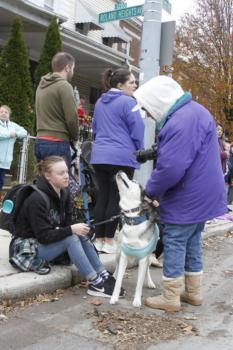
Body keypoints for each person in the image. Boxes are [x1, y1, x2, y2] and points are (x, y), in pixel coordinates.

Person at [134, 75, 227, 311]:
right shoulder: (197, 112)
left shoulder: (179, 121)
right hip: (205, 193)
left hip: (189, 196)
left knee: (175, 240)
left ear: (157, 102)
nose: (148, 114)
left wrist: (151, 192)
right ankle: (194, 292)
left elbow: (171, 168)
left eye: (147, 108)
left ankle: (171, 297)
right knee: (193, 240)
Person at [10, 156, 123, 298]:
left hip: (47, 241)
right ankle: (94, 282)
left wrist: (78, 229)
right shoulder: (36, 199)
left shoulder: (64, 193)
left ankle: (102, 274)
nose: (66, 176)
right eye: (61, 173)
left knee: (78, 234)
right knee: (71, 237)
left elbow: (67, 225)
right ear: (47, 176)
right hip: (29, 248)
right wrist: (71, 230)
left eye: (66, 171)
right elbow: (44, 237)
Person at [90, 68, 145, 254]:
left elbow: (95, 128)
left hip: (99, 156)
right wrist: (139, 150)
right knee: (116, 197)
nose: (135, 85)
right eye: (131, 82)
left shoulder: (99, 102)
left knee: (103, 196)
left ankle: (98, 239)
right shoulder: (129, 102)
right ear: (120, 85)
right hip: (122, 156)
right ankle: (109, 240)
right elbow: (138, 128)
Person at [35, 52, 79, 169]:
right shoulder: (64, 86)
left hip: (40, 141)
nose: (73, 72)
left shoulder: (41, 84)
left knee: (44, 184)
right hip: (57, 143)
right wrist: (75, 137)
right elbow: (71, 118)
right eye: (73, 68)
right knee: (62, 184)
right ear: (67, 67)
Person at [0, 105, 27, 199]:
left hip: (5, 162)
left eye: (6, 112)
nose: (3, 113)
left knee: (0, 183)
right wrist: (9, 134)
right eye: (1, 112)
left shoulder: (13, 125)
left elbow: (24, 132)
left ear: (9, 114)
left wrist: (16, 134)